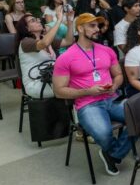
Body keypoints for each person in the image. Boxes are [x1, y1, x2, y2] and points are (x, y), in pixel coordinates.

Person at [53, 13, 131, 176]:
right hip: (88, 104)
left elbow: (118, 75)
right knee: (104, 133)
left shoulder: (107, 50)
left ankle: (112, 154)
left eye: (98, 26)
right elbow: (58, 91)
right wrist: (87, 91)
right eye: (92, 26)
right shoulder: (66, 57)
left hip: (112, 98)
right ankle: (115, 151)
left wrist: (114, 85)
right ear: (80, 28)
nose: (97, 29)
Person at [16, 7, 75, 99]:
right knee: (79, 83)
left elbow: (68, 41)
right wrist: (59, 20)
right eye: (33, 21)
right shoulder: (25, 42)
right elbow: (44, 43)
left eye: (37, 19)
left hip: (52, 78)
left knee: (81, 78)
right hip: (36, 84)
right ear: (27, 28)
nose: (39, 21)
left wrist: (70, 21)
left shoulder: (45, 38)